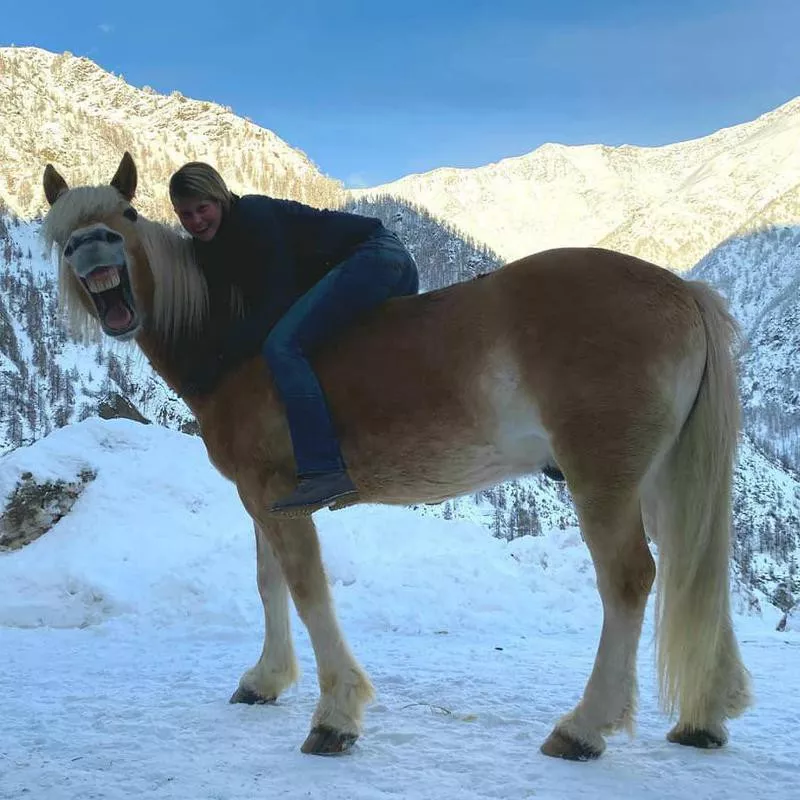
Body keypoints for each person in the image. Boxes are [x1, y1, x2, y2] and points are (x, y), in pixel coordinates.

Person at [168, 162, 419, 515]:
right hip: (370, 268)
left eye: (202, 208)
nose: (195, 221)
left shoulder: (253, 217)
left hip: (374, 257)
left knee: (283, 346)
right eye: (185, 214)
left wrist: (220, 360)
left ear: (220, 198)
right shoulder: (215, 247)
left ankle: (325, 469)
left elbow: (277, 302)